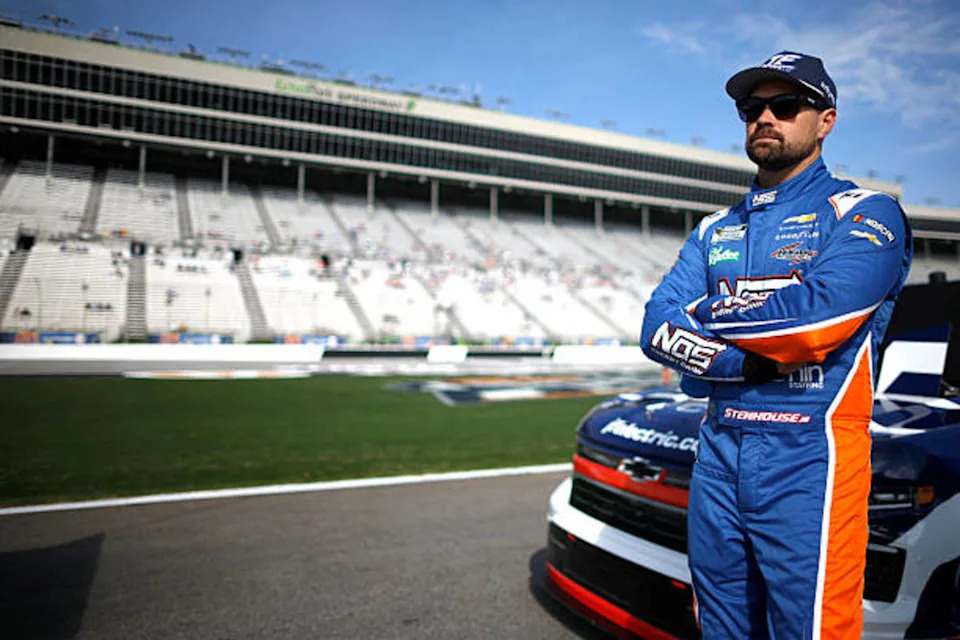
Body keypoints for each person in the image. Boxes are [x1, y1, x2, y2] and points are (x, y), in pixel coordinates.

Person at [639, 51, 912, 639]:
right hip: (718, 453)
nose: (765, 117)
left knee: (810, 629)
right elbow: (656, 328)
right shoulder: (716, 228)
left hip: (811, 457)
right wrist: (747, 360)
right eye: (751, 108)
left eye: (785, 105)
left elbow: (814, 321)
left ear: (826, 119)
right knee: (721, 626)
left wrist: (709, 313)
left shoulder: (866, 212)